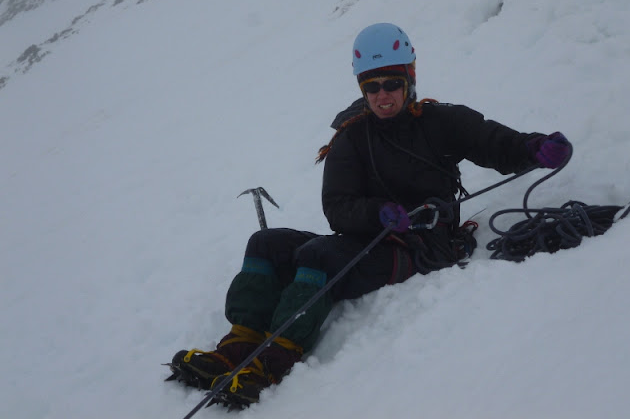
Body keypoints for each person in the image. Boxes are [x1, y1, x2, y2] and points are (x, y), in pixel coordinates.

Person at [167, 23, 571, 404]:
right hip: (368, 236)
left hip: (422, 247)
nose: (383, 95)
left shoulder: (442, 122)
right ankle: (236, 347)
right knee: (266, 243)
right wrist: (378, 213)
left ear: (410, 78)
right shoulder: (351, 137)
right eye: (372, 86)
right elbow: (337, 207)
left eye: (392, 83)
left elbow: (495, 143)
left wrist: (535, 148)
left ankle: (273, 361)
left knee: (316, 256)